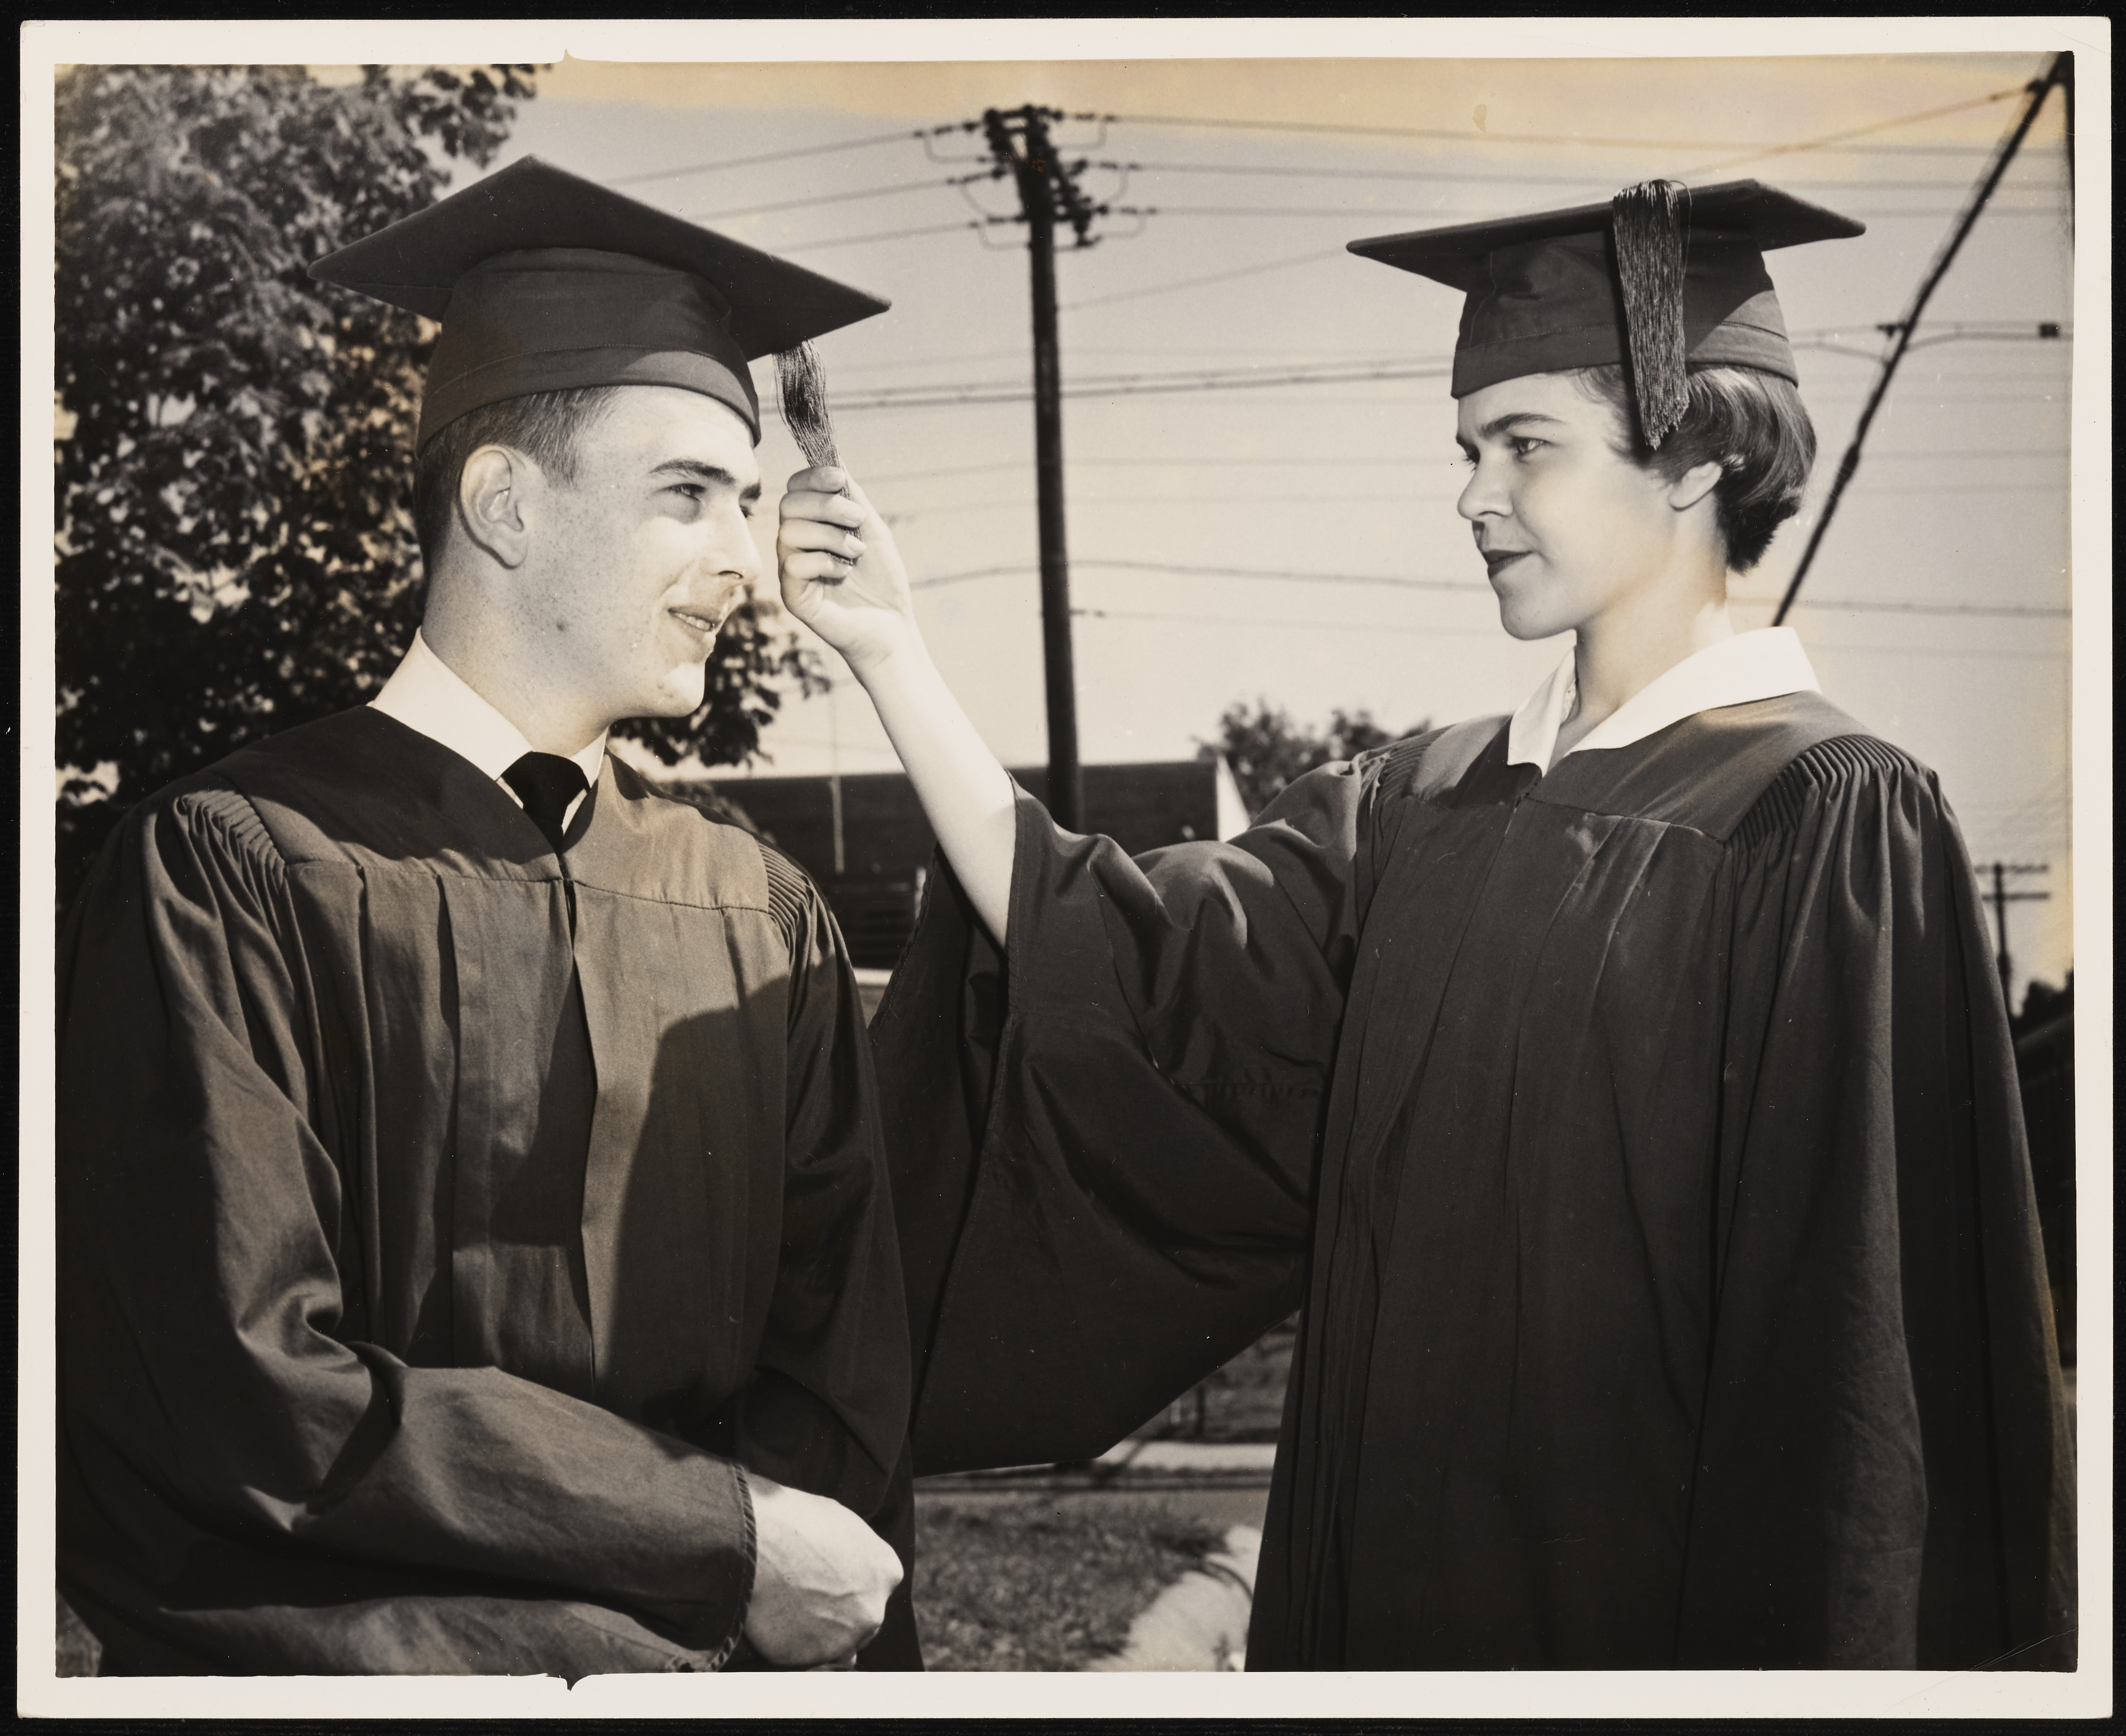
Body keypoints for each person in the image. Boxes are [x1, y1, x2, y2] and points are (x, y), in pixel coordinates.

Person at [775, 179, 2076, 1669]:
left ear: (1696, 457)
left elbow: (1857, 1366)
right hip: (1372, 1597)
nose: (1471, 494)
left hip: (1636, 1627)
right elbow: (1124, 954)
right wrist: (892, 653)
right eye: (1469, 449)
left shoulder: (1822, 817)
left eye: (1527, 445)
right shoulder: (1421, 805)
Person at [57, 157, 917, 1677]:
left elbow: (839, 1392)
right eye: (688, 496)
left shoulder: (756, 910)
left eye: (746, 503)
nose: (746, 563)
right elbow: (241, 1387)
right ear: (505, 504)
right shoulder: (231, 869)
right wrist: (706, 1542)